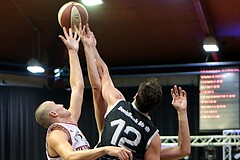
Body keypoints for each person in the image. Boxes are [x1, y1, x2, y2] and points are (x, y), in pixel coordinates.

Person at [79, 24, 190, 160]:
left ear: (136, 95)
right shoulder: (152, 137)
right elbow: (183, 150)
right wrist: (182, 112)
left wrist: (91, 47)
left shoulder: (117, 102)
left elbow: (103, 73)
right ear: (154, 108)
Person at [35, 25, 133, 160]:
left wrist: (73, 51)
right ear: (53, 113)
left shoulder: (70, 121)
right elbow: (70, 156)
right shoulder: (56, 134)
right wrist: (105, 149)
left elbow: (77, 87)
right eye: (56, 104)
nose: (61, 105)